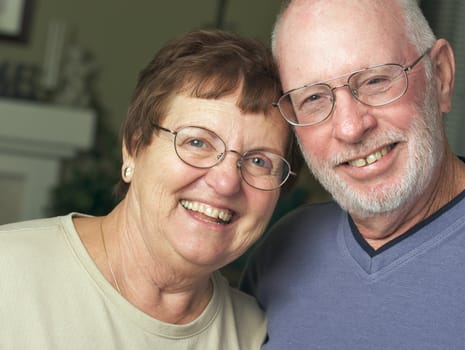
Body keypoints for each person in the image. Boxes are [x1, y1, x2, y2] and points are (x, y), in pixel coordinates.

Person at [241, 0, 465, 348]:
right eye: (314, 98)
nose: (350, 128)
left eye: (376, 80)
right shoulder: (279, 252)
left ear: (441, 76)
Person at [0, 29, 300, 349]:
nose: (226, 183)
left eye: (259, 161)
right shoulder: (9, 274)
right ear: (134, 147)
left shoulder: (257, 335)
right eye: (197, 142)